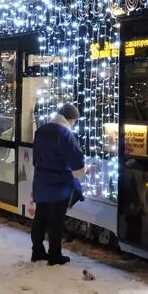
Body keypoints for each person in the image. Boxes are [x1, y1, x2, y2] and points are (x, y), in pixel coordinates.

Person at [30, 103, 85, 265]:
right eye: (74, 121)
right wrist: (83, 171)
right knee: (56, 221)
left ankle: (37, 252)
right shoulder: (65, 134)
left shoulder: (42, 130)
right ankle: (55, 256)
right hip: (59, 184)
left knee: (40, 217)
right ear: (70, 119)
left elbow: (35, 157)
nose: (74, 124)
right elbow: (77, 160)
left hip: (41, 180)